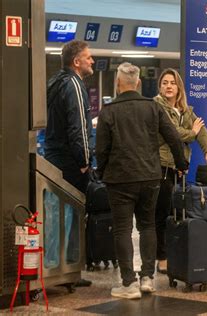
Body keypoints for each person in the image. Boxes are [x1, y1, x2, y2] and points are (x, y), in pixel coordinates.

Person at [95, 62, 188, 299]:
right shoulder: (152, 108)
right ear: (138, 83)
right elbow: (174, 139)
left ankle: (129, 283)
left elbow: (101, 150)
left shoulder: (108, 111)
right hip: (150, 176)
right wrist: (181, 165)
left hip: (120, 179)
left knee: (122, 230)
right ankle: (147, 278)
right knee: (148, 225)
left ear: (118, 84)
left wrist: (103, 172)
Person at [153, 68, 207, 274]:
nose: (168, 86)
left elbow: (202, 131)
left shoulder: (186, 110)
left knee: (175, 212)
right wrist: (192, 132)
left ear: (179, 87)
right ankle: (161, 256)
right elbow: (173, 133)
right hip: (161, 166)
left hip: (179, 168)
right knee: (161, 213)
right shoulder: (157, 107)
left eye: (172, 83)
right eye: (165, 83)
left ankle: (172, 252)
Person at [45, 39, 94, 287]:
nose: (92, 61)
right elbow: (79, 128)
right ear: (76, 62)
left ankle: (63, 269)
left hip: (54, 156)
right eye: (88, 57)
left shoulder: (55, 81)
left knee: (58, 214)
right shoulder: (74, 84)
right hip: (70, 161)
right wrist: (85, 161)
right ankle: (59, 272)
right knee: (67, 214)